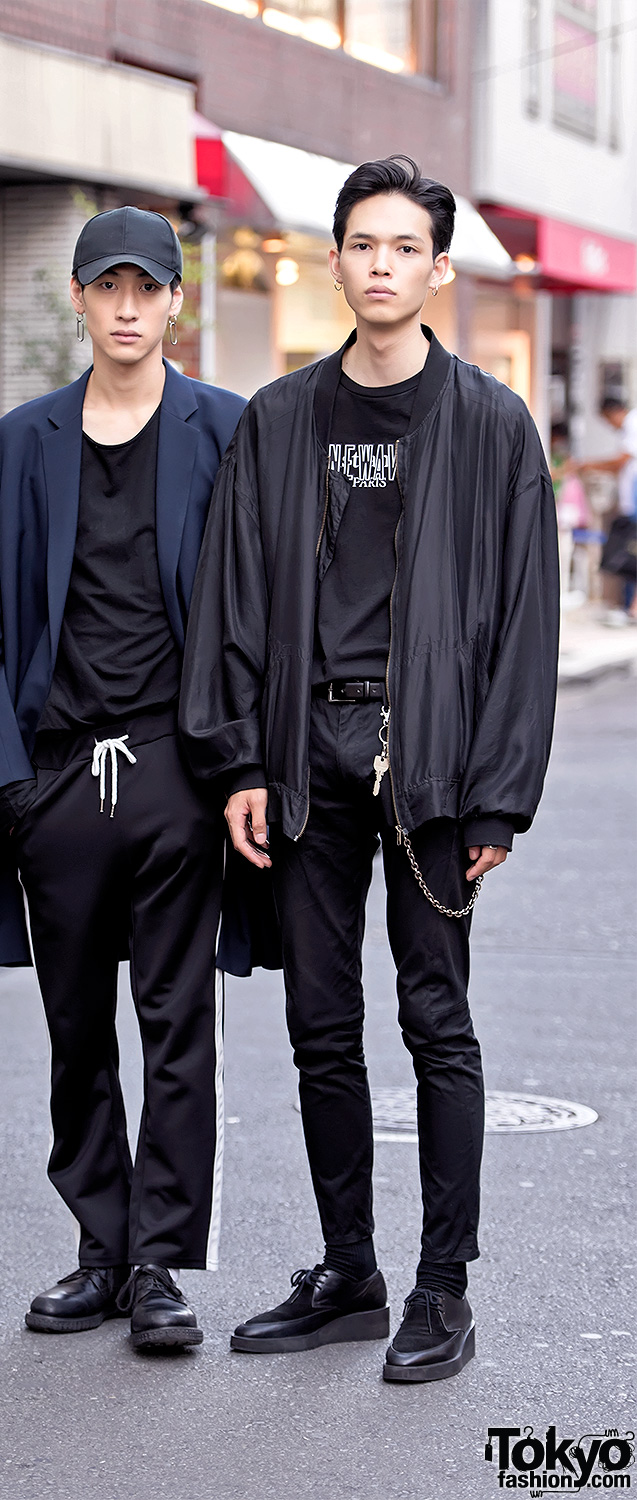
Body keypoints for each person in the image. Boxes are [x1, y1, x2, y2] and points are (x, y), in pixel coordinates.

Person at [180, 156, 559, 1383]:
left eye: (405, 247)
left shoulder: (493, 425)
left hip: (436, 766)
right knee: (318, 1023)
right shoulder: (280, 420)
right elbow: (232, 599)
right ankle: (351, 1270)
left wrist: (499, 792)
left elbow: (523, 626)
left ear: (437, 268)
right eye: (363, 244)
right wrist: (239, 755)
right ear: (333, 260)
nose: (382, 265)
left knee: (435, 1019)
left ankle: (442, 1285)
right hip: (305, 757)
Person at [0, 208, 251, 1350]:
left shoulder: (225, 428)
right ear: (77, 298)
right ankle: (100, 1248)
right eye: (106, 285)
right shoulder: (18, 445)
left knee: (178, 1026)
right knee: (77, 1029)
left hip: (179, 769)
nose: (127, 306)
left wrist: (237, 769)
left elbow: (251, 615)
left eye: (148, 287)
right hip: (60, 781)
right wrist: (8, 790)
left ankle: (160, 1268)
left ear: (177, 303)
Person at [579, 397, 637, 622]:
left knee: (630, 554)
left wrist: (588, 464)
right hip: (630, 504)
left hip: (634, 503)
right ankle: (629, 606)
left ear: (613, 412)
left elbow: (620, 462)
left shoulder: (632, 423)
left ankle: (631, 607)